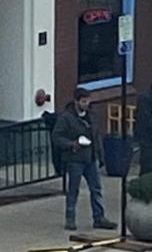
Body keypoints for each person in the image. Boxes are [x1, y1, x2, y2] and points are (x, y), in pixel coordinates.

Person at [51, 88, 117, 231]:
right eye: (83, 101)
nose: (86, 103)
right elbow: (57, 137)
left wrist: (100, 154)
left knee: (96, 188)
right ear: (76, 101)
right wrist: (71, 144)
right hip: (75, 158)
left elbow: (96, 136)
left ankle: (99, 218)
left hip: (91, 157)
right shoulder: (66, 118)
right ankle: (70, 218)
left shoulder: (91, 116)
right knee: (73, 190)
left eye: (88, 100)